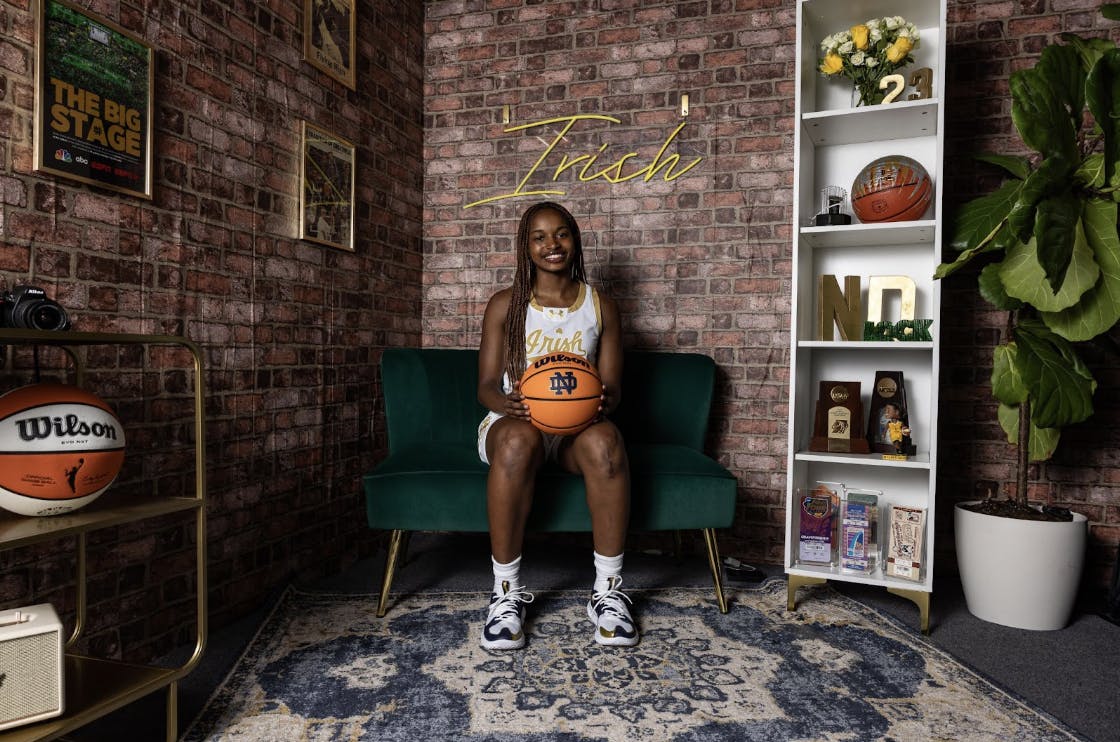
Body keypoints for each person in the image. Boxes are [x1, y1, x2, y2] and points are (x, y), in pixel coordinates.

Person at [476, 201, 636, 650]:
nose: (552, 245)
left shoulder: (602, 306)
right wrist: (511, 405)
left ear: (575, 240)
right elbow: (486, 386)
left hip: (575, 431)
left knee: (607, 442)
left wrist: (603, 402)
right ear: (525, 247)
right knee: (517, 443)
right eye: (540, 237)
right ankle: (505, 595)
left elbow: (614, 388)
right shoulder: (505, 305)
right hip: (515, 424)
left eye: (561, 234)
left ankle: (607, 591)